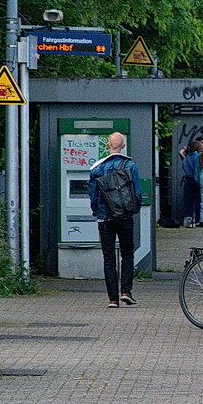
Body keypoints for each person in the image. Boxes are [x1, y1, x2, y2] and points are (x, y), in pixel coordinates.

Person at [87, 131, 142, 307]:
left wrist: (97, 212)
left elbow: (93, 194)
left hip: (105, 218)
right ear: (123, 146)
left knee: (109, 258)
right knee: (127, 253)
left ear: (108, 145)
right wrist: (133, 210)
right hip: (125, 216)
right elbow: (137, 193)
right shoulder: (130, 165)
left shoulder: (97, 168)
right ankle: (126, 291)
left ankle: (112, 299)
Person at [180, 142, 200, 226]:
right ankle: (197, 219)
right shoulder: (197, 157)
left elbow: (183, 164)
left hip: (188, 179)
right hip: (196, 180)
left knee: (188, 201)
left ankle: (188, 219)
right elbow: (197, 169)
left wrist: (184, 150)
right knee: (198, 200)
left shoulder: (187, 157)